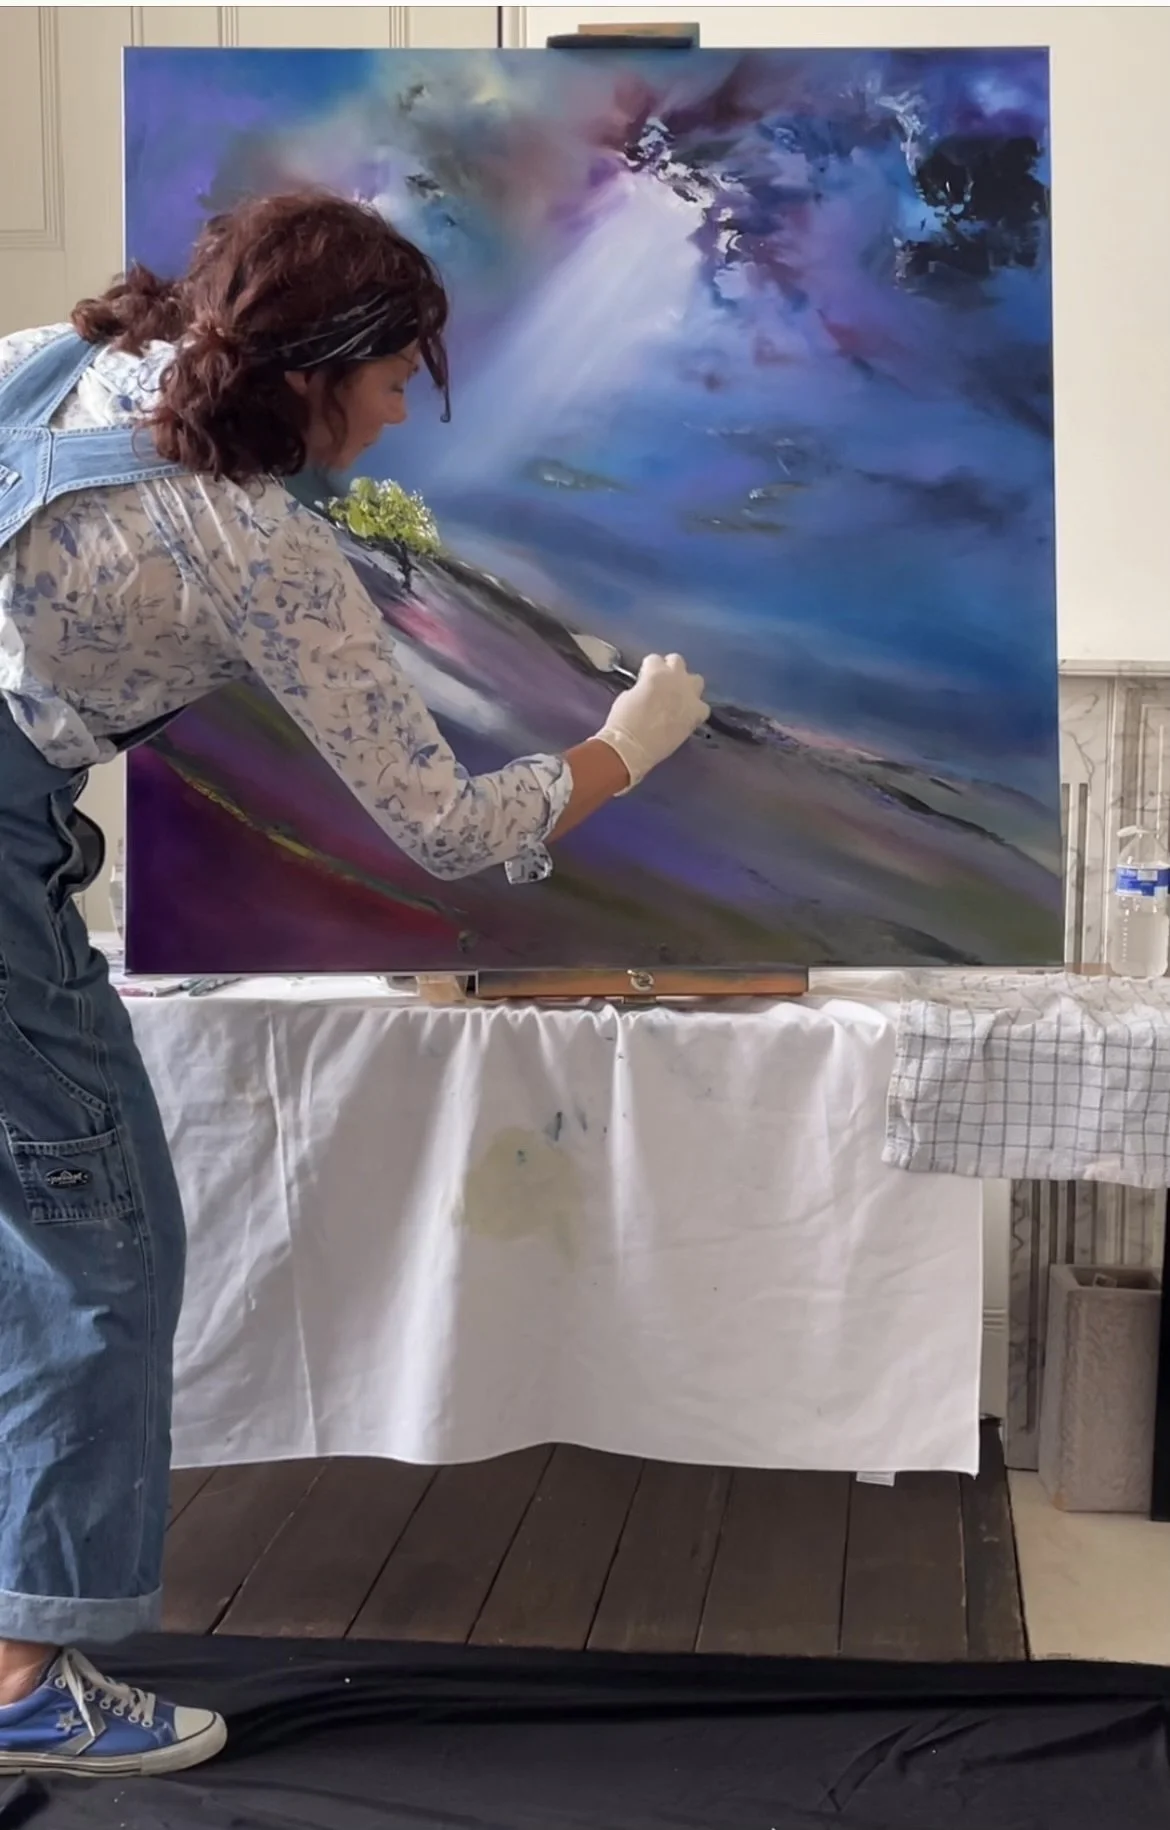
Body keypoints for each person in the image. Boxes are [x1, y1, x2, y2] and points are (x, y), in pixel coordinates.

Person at [0, 190, 709, 1778]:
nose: (401, 413)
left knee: (32, 1237)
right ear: (315, 371)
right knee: (96, 1254)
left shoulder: (54, 360)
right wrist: (623, 747)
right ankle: (23, 1682)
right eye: (392, 379)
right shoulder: (255, 544)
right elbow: (443, 826)